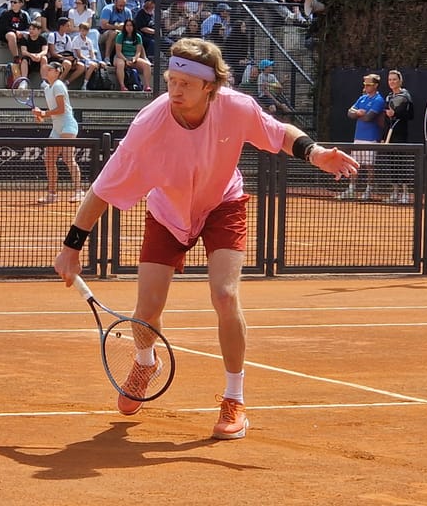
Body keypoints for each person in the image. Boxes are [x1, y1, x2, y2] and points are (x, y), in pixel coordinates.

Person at [51, 37, 358, 437]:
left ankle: (234, 399)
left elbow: (278, 132)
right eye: (171, 80)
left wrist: (315, 153)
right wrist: (70, 249)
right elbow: (103, 189)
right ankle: (145, 362)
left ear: (210, 87)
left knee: (225, 295)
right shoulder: (148, 125)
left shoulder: (235, 106)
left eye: (186, 84)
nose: (175, 91)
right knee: (147, 309)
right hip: (167, 212)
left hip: (222, 203)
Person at [33, 61, 85, 204]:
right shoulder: (47, 89)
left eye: (49, 69)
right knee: (49, 159)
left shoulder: (58, 85)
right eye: (46, 69)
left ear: (57, 71)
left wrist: (43, 113)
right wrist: (39, 115)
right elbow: (49, 116)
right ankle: (51, 194)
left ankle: (79, 192)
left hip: (68, 125)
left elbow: (61, 110)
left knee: (68, 158)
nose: (46, 70)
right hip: (56, 128)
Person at [338, 73, 385, 201]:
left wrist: (357, 114)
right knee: (355, 164)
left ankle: (368, 190)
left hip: (371, 137)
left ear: (375, 85)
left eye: (369, 84)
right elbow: (349, 112)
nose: (366, 86)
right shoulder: (362, 98)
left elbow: (369, 117)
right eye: (365, 84)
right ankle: (352, 189)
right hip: (358, 136)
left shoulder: (379, 100)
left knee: (369, 166)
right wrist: (358, 113)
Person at [383, 70, 414, 204]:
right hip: (391, 135)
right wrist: (384, 136)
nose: (392, 82)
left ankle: (406, 194)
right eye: (390, 80)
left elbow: (411, 115)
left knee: (401, 163)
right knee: (392, 164)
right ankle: (395, 192)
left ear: (400, 81)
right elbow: (386, 119)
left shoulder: (406, 96)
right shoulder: (388, 97)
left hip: (401, 134)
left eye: (394, 79)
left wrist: (395, 113)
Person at [114, 19, 152, 92]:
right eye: (127, 25)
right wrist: (125, 60)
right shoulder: (120, 36)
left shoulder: (138, 37)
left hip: (133, 57)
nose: (129, 27)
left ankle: (147, 86)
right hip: (121, 57)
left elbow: (138, 51)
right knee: (120, 64)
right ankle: (122, 86)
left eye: (131, 25)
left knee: (147, 65)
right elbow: (118, 52)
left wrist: (135, 59)